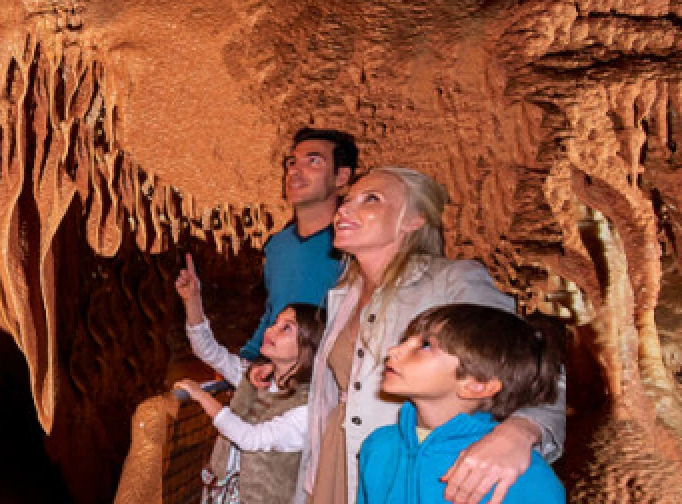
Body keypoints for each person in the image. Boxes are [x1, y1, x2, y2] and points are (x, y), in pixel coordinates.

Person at [293, 167, 565, 504]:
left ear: (414, 220)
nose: (344, 210)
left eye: (371, 200)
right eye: (346, 201)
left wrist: (520, 432)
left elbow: (527, 359)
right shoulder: (343, 295)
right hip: (348, 454)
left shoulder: (453, 282)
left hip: (424, 466)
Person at [358, 303, 566, 504]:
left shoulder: (524, 476)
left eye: (426, 345)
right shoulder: (379, 446)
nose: (394, 350)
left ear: (477, 385)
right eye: (406, 340)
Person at [174, 254, 326, 504]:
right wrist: (193, 299)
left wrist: (201, 396)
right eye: (275, 323)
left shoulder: (306, 408)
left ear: (308, 347)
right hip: (223, 494)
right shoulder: (256, 377)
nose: (270, 330)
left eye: (286, 328)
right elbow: (207, 350)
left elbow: (251, 438)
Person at [241, 128, 358, 361]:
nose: (295, 171)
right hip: (281, 371)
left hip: (333, 375)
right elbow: (273, 310)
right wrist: (250, 357)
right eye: (292, 162)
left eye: (313, 161)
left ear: (341, 178)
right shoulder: (277, 246)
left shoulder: (356, 245)